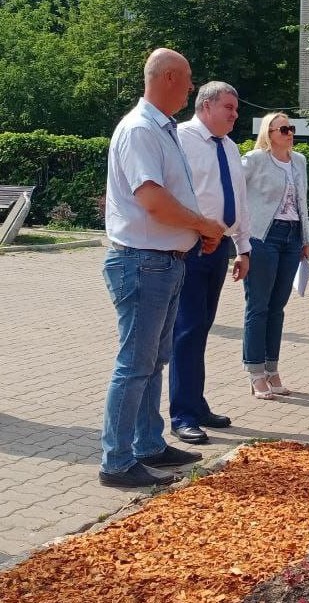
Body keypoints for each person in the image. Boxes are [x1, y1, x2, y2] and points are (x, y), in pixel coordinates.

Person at [99, 48, 226, 488]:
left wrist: (197, 230)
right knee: (135, 364)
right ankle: (116, 462)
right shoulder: (140, 130)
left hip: (163, 261)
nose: (192, 87)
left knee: (154, 361)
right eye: (188, 78)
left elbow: (168, 197)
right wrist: (201, 224)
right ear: (169, 77)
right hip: (143, 261)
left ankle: (148, 445)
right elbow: (151, 200)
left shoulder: (161, 128)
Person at [168, 81, 252, 445]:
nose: (235, 114)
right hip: (188, 247)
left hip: (218, 250)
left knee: (201, 328)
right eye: (229, 108)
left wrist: (243, 247)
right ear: (206, 106)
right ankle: (182, 414)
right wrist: (197, 230)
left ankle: (196, 404)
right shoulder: (180, 139)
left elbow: (239, 200)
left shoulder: (230, 147)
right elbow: (172, 194)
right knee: (185, 331)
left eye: (235, 108)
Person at [240, 113, 309, 399]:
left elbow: (302, 202)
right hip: (263, 237)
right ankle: (255, 371)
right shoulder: (255, 159)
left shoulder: (300, 161)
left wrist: (305, 238)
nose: (289, 132)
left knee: (277, 306)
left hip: (291, 236)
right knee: (258, 305)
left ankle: (272, 369)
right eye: (283, 129)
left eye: (291, 128)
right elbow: (235, 189)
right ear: (268, 133)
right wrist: (240, 237)